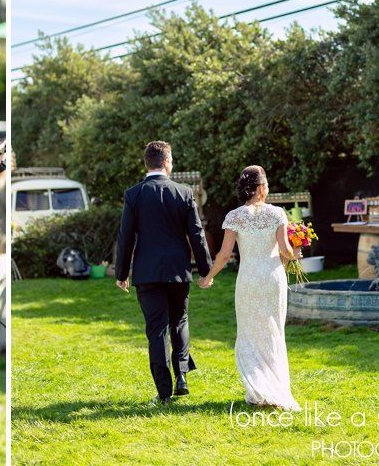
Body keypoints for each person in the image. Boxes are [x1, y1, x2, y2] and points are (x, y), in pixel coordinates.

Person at [115, 140, 212, 406]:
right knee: (179, 321)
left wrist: (121, 272)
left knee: (156, 331)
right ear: (167, 162)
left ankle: (164, 392)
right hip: (178, 271)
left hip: (147, 273)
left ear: (147, 163)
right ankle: (181, 376)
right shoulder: (183, 192)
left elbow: (125, 237)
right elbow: (196, 233)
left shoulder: (134, 194)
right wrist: (206, 269)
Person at [199, 165, 301, 411]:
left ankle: (258, 390)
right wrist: (296, 255)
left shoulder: (234, 216)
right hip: (272, 279)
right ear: (261, 187)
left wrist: (208, 277)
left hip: (247, 280)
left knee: (250, 332)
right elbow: (285, 250)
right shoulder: (277, 214)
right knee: (273, 331)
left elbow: (224, 255)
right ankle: (271, 389)